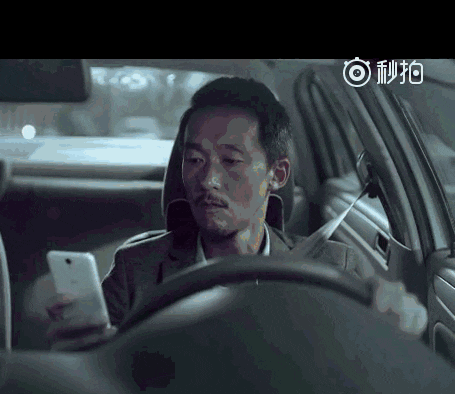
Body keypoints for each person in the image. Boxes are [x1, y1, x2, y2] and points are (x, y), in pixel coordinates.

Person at [45, 77, 428, 351]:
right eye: (194, 160)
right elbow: (98, 375)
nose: (207, 180)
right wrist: (80, 350)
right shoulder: (136, 268)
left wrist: (399, 323)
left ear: (277, 174)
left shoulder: (331, 265)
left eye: (231, 161)